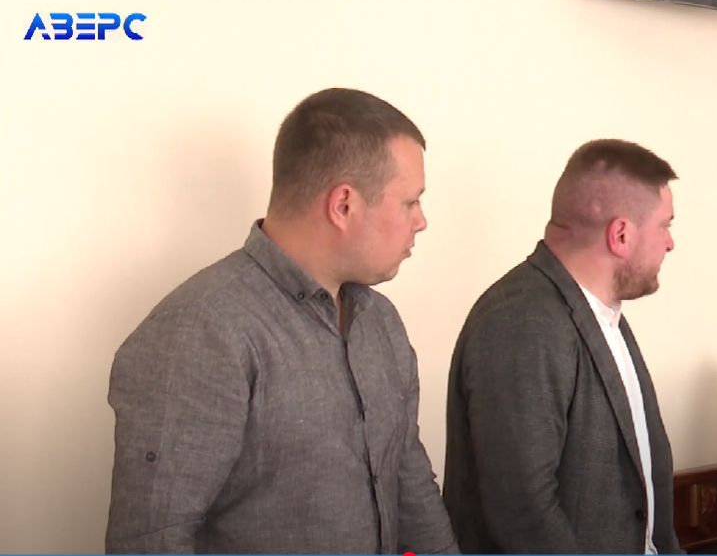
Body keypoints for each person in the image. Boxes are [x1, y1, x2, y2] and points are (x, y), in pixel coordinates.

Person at [104, 87, 458, 555]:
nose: (421, 221)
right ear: (344, 205)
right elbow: (153, 541)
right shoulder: (200, 333)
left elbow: (409, 485)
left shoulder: (381, 323)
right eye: (410, 202)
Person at [442, 139, 683, 554]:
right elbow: (522, 513)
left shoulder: (602, 314)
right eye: (665, 226)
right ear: (621, 234)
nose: (670, 243)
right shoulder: (522, 320)